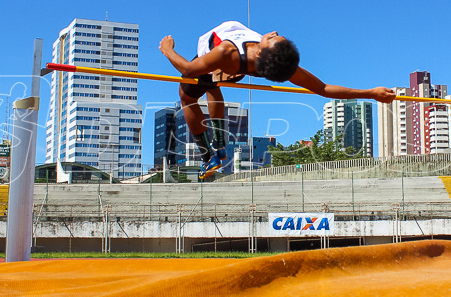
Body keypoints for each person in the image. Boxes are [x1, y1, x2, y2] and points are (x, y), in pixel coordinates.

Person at [159, 20, 395, 180]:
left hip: (217, 53)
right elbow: (322, 88)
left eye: (274, 38)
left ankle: (207, 154)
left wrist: (168, 50)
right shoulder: (282, 65)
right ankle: (219, 146)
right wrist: (371, 92)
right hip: (235, 67)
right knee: (213, 85)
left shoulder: (226, 53)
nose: (272, 32)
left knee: (186, 95)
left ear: (262, 51)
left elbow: (189, 69)